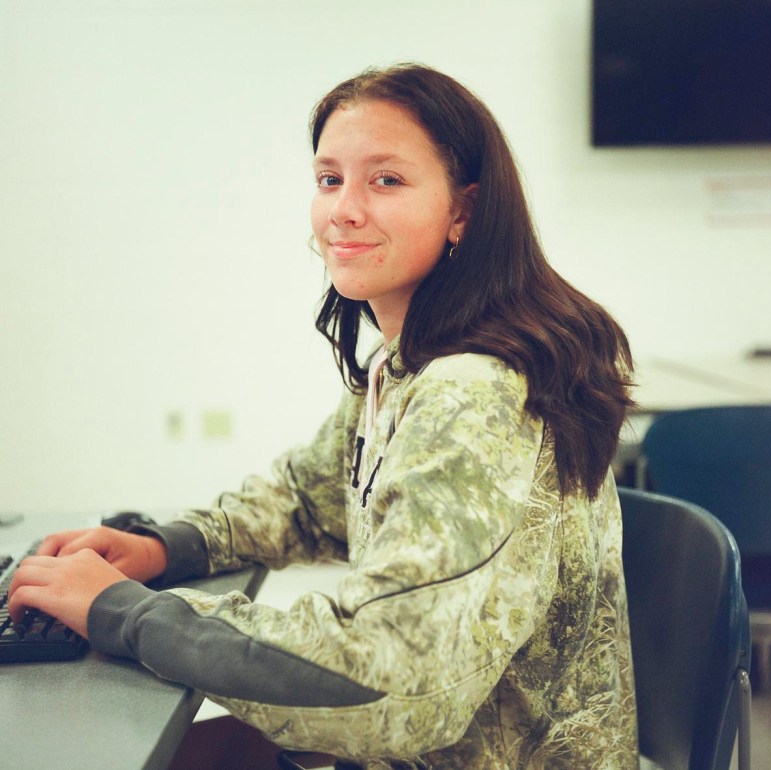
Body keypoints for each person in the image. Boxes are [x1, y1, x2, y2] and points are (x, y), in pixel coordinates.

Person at [9, 63, 639, 769]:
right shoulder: (410, 363)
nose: (343, 209)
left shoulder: (474, 392)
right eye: (329, 178)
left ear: (464, 210)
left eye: (386, 180)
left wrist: (123, 612)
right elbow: (310, 500)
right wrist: (165, 548)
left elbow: (388, 682)